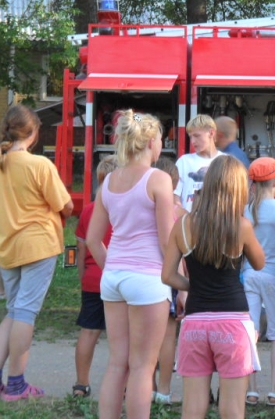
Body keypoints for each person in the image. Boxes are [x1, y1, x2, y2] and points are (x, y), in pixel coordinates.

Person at [0, 105, 73, 400]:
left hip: (7, 243)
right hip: (37, 244)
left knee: (14, 310)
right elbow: (66, 206)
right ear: (32, 133)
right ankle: (16, 383)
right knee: (26, 312)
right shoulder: (40, 165)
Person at [86, 110, 175, 419]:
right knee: (142, 366)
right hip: (147, 278)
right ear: (152, 141)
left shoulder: (110, 180)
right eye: (161, 138)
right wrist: (183, 280)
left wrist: (113, 266)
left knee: (117, 363)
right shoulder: (159, 179)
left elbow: (93, 238)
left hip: (114, 278)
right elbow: (167, 243)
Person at [161, 155, 265, 419]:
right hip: (232, 321)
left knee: (193, 408)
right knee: (232, 409)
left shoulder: (183, 225)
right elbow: (259, 262)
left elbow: (167, 275)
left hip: (195, 322)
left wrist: (193, 287)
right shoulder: (240, 226)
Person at [241, 157, 275, 407]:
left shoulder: (245, 210)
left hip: (249, 274)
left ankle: (251, 390)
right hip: (274, 275)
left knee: (250, 332)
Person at [72, 154, 118, 399]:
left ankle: (81, 384)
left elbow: (81, 249)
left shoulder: (89, 210)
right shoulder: (125, 206)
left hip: (93, 278)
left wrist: (84, 277)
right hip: (120, 278)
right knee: (123, 336)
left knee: (89, 331)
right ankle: (123, 387)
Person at [152, 156, 187, 405]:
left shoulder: (143, 205)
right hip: (171, 275)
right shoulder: (181, 213)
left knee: (142, 338)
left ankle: (145, 387)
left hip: (143, 274)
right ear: (176, 183)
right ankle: (163, 391)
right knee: (167, 336)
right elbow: (185, 252)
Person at [174, 114, 226, 212]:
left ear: (211, 133)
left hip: (218, 223)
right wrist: (185, 220)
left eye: (197, 136)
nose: (193, 141)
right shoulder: (184, 162)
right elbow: (175, 196)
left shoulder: (226, 161)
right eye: (190, 137)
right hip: (189, 222)